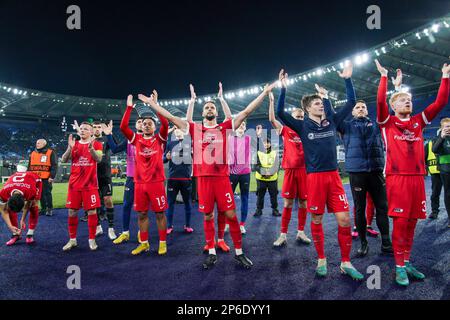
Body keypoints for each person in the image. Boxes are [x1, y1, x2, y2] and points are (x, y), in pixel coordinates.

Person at [138, 81, 276, 269]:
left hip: (221, 179)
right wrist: (153, 104)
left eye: (212, 107)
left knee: (231, 215)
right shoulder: (194, 128)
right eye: (207, 107)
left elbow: (245, 112)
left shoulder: (225, 127)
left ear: (216, 113)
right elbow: (169, 116)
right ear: (202, 113)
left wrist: (264, 92)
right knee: (208, 216)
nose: (209, 109)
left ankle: (239, 252)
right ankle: (211, 251)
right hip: (203, 180)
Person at [277, 66, 364, 280]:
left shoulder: (331, 121)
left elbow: (351, 103)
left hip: (334, 178)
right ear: (308, 108)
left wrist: (347, 80)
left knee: (344, 220)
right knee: (316, 219)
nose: (321, 105)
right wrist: (283, 89)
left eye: (321, 103)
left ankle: (345, 262)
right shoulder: (301, 126)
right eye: (317, 103)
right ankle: (322, 259)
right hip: (314, 179)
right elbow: (280, 113)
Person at [375, 60, 450, 286]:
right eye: (402, 100)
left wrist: (445, 76)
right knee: (400, 223)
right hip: (397, 179)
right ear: (394, 105)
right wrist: (384, 78)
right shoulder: (387, 122)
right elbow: (380, 101)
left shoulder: (419, 121)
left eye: (410, 99)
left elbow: (440, 102)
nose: (408, 101)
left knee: (412, 223)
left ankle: (406, 261)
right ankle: (398, 267)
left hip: (418, 179)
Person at [320, 87, 393, 257]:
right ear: (352, 111)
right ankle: (363, 242)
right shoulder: (345, 127)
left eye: (363, 107)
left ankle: (386, 241)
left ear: (367, 110)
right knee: (360, 208)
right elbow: (332, 116)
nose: (361, 109)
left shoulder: (376, 125)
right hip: (357, 172)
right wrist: (325, 98)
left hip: (375, 171)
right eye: (357, 107)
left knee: (382, 207)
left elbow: (386, 114)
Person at [120, 94, 169, 256]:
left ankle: (162, 243)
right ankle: (145, 243)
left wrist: (154, 105)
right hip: (140, 183)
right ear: (141, 126)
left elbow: (166, 122)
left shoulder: (160, 138)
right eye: (145, 124)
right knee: (141, 214)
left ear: (154, 127)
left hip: (156, 183)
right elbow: (123, 127)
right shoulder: (136, 139)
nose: (147, 126)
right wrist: (128, 109)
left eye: (150, 124)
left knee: (159, 213)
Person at [269, 91, 311, 246]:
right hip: (290, 171)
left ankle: (301, 232)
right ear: (291, 118)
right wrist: (272, 101)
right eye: (296, 117)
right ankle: (283, 235)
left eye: (301, 117)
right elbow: (272, 119)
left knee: (303, 204)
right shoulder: (285, 129)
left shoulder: (308, 129)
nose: (299, 119)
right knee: (287, 204)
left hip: (305, 171)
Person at [61, 122, 103, 251]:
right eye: (82, 129)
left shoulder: (97, 144)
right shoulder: (75, 144)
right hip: (74, 185)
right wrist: (70, 147)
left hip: (90, 185)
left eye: (86, 129)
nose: (83, 130)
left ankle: (92, 240)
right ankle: (72, 240)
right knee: (72, 211)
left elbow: (99, 159)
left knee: (91, 211)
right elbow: (63, 160)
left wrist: (91, 150)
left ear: (91, 132)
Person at [104, 118, 143, 244]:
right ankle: (125, 233)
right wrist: (109, 134)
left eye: (144, 122)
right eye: (139, 122)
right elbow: (114, 149)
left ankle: (141, 233)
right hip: (131, 178)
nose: (141, 124)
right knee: (126, 205)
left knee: (142, 209)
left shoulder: (151, 140)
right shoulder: (129, 140)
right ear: (136, 125)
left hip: (145, 179)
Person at [0, 168, 42, 245]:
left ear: (24, 199)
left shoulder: (30, 191)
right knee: (9, 210)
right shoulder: (3, 192)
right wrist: (10, 226)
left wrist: (22, 219)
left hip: (36, 180)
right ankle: (16, 234)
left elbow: (27, 206)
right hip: (19, 182)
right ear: (9, 198)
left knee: (34, 207)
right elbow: (3, 210)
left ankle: (30, 234)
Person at [164, 126, 194, 234]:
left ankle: (188, 226)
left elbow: (198, 157)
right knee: (170, 203)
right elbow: (163, 159)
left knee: (187, 203)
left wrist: (193, 153)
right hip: (173, 178)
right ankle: (169, 226)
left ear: (184, 131)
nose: (177, 131)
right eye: (176, 129)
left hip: (186, 178)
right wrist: (166, 158)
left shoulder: (190, 143)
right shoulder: (170, 144)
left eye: (179, 128)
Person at [91, 121, 117, 240]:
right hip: (91, 175)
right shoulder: (88, 140)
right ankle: (98, 226)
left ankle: (111, 228)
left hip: (105, 174)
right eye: (94, 127)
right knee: (94, 202)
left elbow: (115, 148)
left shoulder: (106, 139)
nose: (97, 129)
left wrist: (110, 134)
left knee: (108, 200)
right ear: (91, 129)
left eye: (98, 127)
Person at [228, 120, 252, 234]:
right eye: (239, 124)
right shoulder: (229, 138)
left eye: (243, 124)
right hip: (232, 173)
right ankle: (228, 222)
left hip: (245, 173)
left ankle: (242, 224)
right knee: (229, 199)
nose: (241, 126)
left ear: (246, 127)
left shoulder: (248, 138)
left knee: (244, 198)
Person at [254, 125, 280, 217]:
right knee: (260, 195)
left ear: (270, 144)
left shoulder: (274, 153)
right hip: (261, 179)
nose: (266, 144)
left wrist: (270, 172)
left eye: (267, 143)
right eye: (264, 143)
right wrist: (264, 173)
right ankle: (259, 210)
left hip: (272, 178)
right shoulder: (259, 152)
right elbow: (256, 166)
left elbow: (277, 165)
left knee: (274, 195)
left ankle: (275, 209)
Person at [28, 139, 57, 216]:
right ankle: (43, 209)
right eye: (36, 143)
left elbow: (54, 166)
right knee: (39, 194)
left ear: (44, 144)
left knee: (47, 193)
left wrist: (52, 176)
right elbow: (29, 167)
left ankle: (49, 209)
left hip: (46, 178)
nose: (37, 144)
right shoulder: (33, 153)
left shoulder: (50, 152)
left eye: (39, 143)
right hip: (35, 178)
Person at [432, 118, 450, 227]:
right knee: (448, 194)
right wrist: (442, 137)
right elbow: (434, 150)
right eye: (447, 126)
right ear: (442, 128)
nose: (449, 128)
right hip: (445, 171)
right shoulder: (437, 138)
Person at [425, 131, 442, 220]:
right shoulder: (429, 144)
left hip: (446, 171)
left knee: (437, 193)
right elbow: (424, 157)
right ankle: (434, 211)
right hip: (435, 172)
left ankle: (435, 212)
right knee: (435, 193)